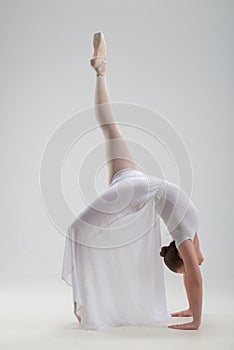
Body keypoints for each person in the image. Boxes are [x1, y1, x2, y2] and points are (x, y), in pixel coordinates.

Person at [67, 32, 204, 330]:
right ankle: (85, 306)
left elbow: (196, 265)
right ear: (180, 254)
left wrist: (190, 309)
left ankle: (101, 68)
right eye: (187, 263)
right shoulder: (185, 236)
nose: (196, 260)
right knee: (76, 231)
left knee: (109, 128)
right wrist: (196, 320)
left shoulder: (192, 229)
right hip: (137, 189)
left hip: (135, 181)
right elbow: (195, 273)